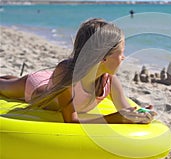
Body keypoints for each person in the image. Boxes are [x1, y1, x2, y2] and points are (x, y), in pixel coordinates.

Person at [0, 18, 156, 124]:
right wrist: (115, 119)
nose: (123, 58)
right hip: (35, 87)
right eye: (121, 52)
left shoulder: (109, 80)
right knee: (5, 86)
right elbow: (71, 120)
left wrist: (139, 114)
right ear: (102, 56)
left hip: (53, 81)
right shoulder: (67, 73)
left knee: (11, 78)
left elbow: (124, 110)